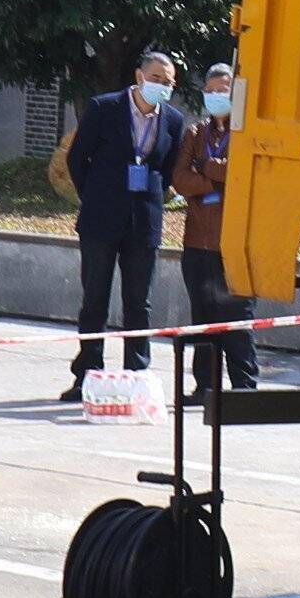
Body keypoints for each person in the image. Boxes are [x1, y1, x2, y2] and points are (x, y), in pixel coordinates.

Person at [58, 49, 183, 400]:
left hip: (144, 221)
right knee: (94, 298)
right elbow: (77, 158)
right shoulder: (104, 107)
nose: (161, 85)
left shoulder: (173, 120)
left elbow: (169, 168)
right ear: (139, 76)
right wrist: (94, 195)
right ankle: (88, 375)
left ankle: (137, 375)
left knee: (138, 302)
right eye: (156, 78)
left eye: (168, 81)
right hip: (101, 218)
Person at [165, 59, 259, 399]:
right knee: (202, 316)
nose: (217, 95)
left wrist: (204, 167)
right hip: (198, 243)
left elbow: (242, 175)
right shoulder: (195, 132)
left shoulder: (247, 134)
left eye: (224, 90)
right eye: (212, 90)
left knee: (236, 318)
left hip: (233, 243)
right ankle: (205, 385)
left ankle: (245, 386)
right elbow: (179, 178)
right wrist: (211, 180)